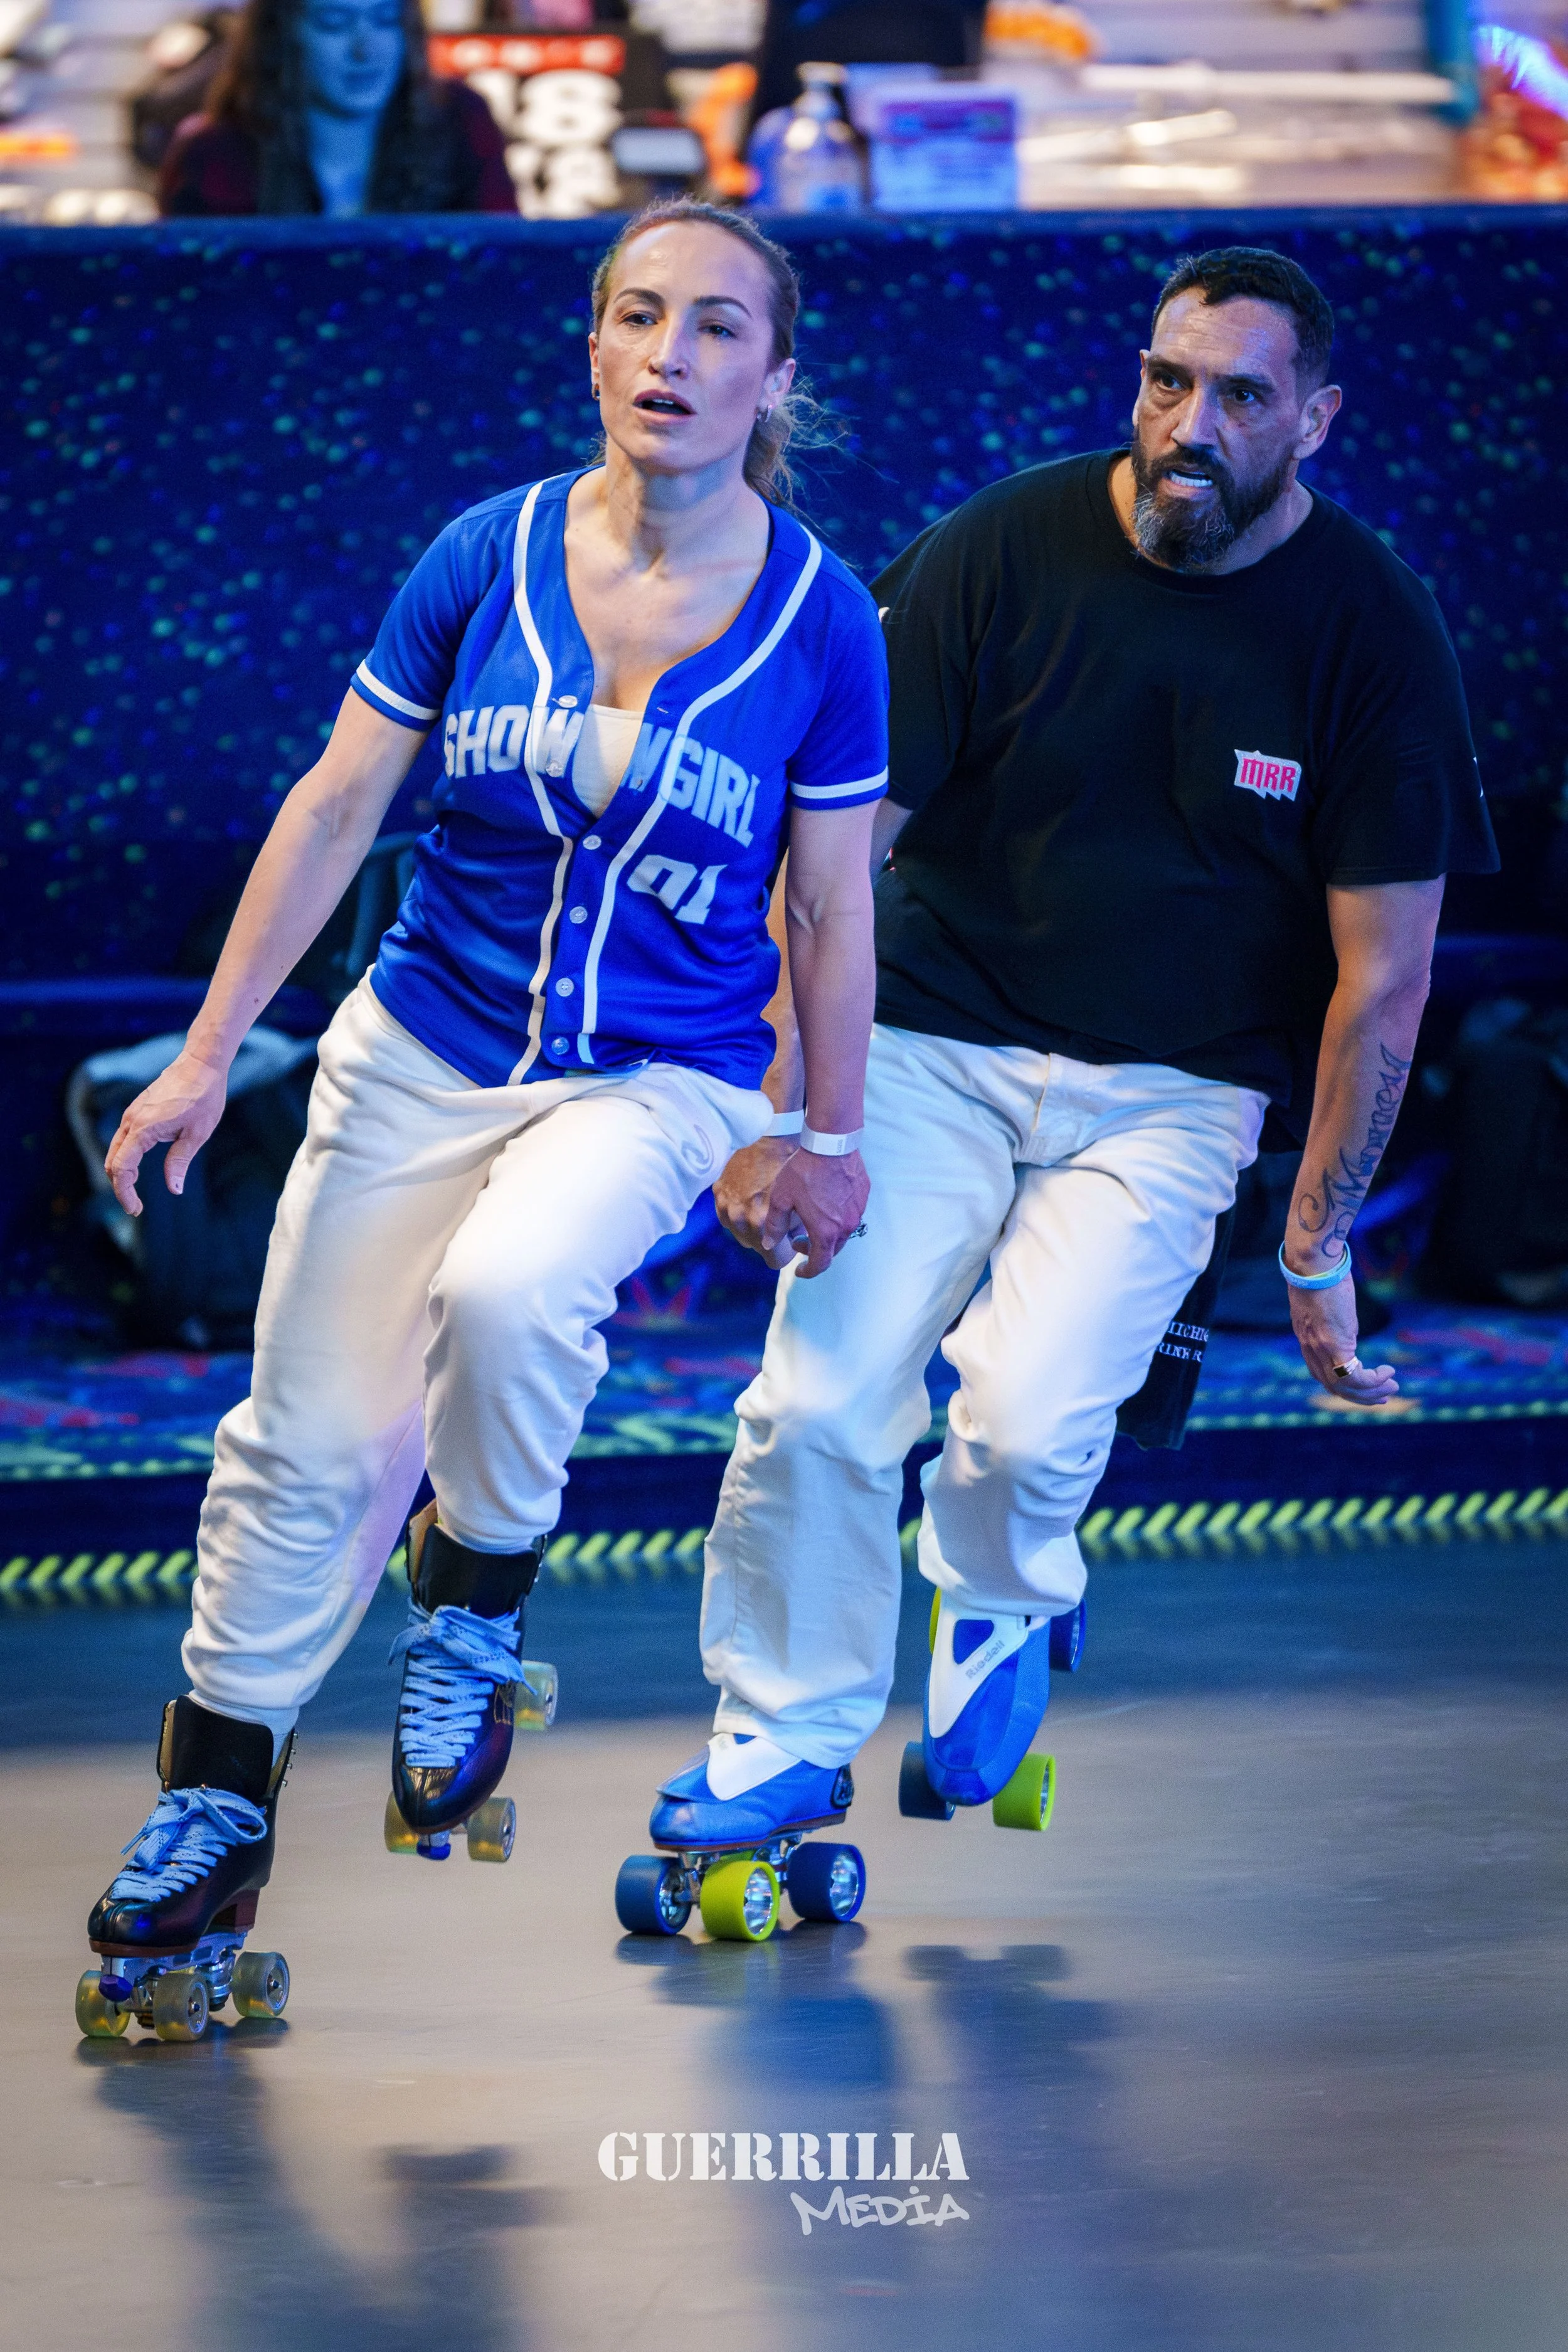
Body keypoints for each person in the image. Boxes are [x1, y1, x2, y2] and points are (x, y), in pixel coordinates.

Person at [79, 200, 887, 2030]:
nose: (669, 357)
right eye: (635, 318)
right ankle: (214, 1799)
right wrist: (210, 1049)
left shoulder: (826, 619)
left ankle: (471, 1603)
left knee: (515, 1291)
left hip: (657, 1073)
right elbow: (334, 799)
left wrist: (822, 1134)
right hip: (418, 1045)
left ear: (773, 374)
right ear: (591, 347)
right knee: (306, 1436)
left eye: (713, 330)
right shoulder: (480, 553)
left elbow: (832, 906)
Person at [650, 245, 1500, 1857]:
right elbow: (835, 861)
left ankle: (1002, 1604)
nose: (1190, 423)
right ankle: (780, 1731)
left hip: (1176, 1091)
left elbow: (1382, 985)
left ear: (1313, 421)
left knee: (1029, 1418)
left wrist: (1312, 1247)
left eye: (1241, 396)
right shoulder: (1001, 548)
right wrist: (774, 1107)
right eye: (1167, 380)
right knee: (818, 1404)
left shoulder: (1374, 632)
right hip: (926, 1036)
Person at [157, 0, 516, 218]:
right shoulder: (211, 152)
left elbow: (506, 272)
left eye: (385, 20)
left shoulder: (462, 121)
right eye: (335, 23)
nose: (366, 49)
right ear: (283, 38)